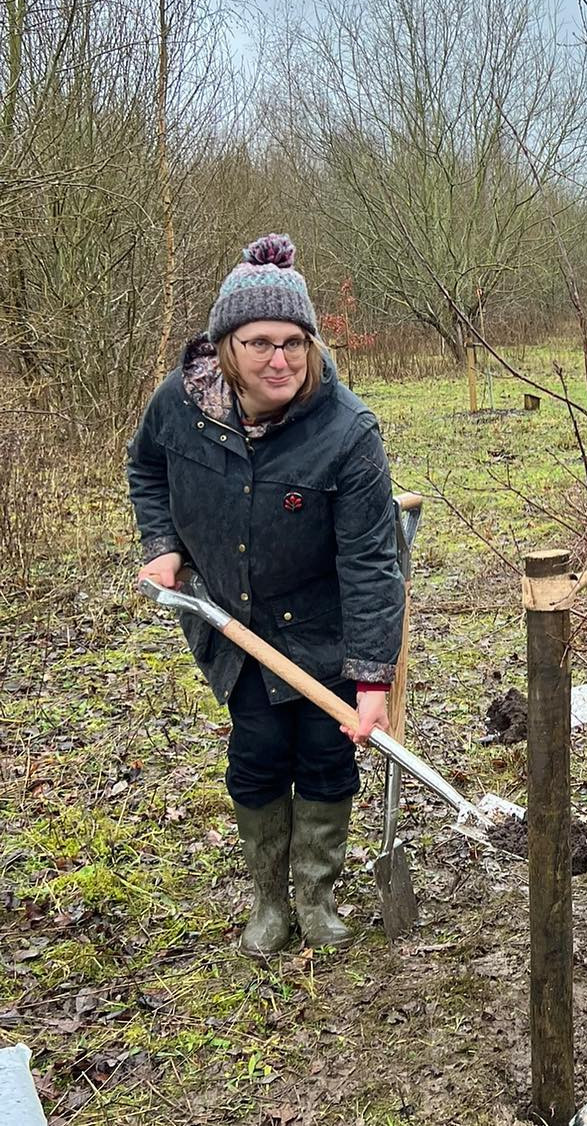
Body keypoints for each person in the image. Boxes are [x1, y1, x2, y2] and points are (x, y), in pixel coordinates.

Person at [128, 233, 403, 956]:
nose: (278, 360)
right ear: (225, 346)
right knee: (256, 753)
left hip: (322, 629)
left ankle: (316, 898)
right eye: (258, 342)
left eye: (293, 342)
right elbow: (146, 468)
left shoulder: (346, 431)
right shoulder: (179, 406)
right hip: (233, 623)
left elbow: (374, 561)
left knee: (323, 756)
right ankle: (266, 901)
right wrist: (162, 545)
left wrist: (372, 677)